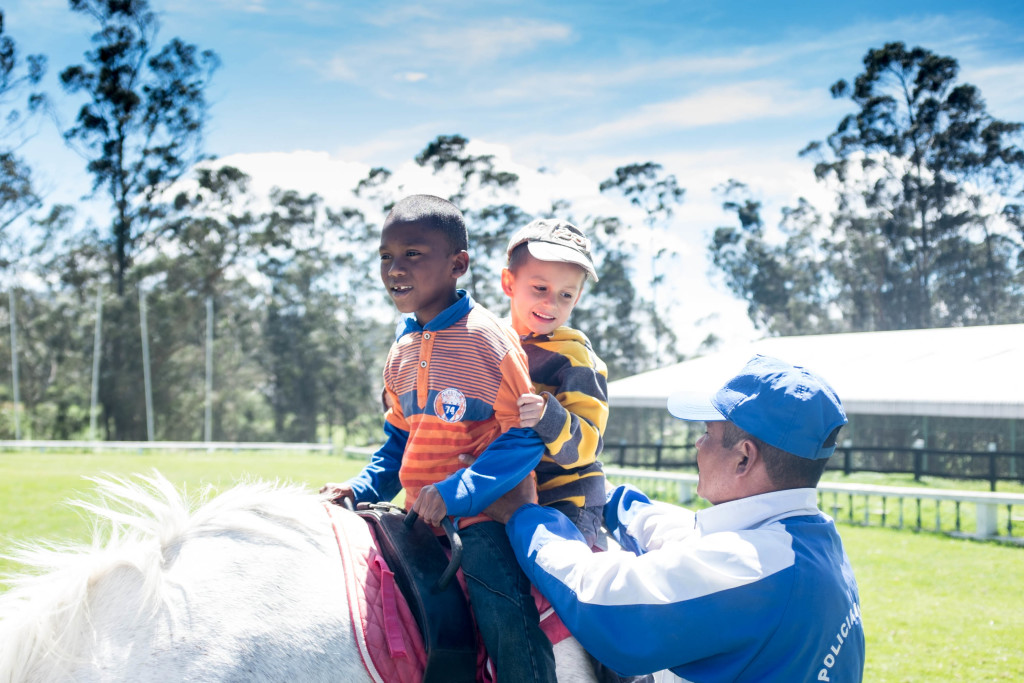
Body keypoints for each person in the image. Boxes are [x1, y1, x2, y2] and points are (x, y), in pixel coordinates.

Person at [484, 354, 866, 683]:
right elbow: (684, 536)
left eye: (707, 434)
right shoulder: (809, 543)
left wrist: (522, 514)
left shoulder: (753, 569)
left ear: (744, 458)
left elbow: (598, 598)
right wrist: (600, 492)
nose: (698, 444)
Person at [320, 194, 556, 682]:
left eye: (412, 254)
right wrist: (361, 490)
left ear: (458, 264)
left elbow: (524, 437)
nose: (394, 268)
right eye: (386, 256)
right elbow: (398, 444)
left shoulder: (487, 339)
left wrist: (455, 494)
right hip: (417, 520)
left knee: (505, 619)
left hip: (485, 519)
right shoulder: (401, 351)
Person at [501, 218, 609, 547]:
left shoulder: (574, 357)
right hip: (506, 488)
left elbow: (588, 444)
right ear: (508, 283)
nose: (551, 304)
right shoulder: (491, 342)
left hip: (566, 500)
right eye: (540, 288)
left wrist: (549, 418)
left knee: (556, 572)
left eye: (565, 294)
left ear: (576, 299)